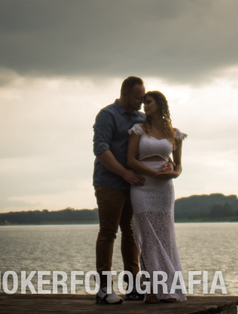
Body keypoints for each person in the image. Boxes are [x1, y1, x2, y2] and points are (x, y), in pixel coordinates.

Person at [126, 90, 186, 303]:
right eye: (144, 103)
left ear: (160, 104)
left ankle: (167, 290)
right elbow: (131, 160)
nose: (145, 106)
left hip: (164, 189)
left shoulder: (174, 133)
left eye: (149, 102)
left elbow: (178, 165)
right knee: (148, 237)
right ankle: (151, 290)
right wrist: (152, 173)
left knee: (165, 236)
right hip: (142, 186)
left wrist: (173, 174)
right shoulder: (138, 130)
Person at [92, 76, 148, 304]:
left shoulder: (142, 118)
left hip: (133, 185)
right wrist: (124, 173)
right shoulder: (107, 115)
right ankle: (104, 289)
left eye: (143, 98)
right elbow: (100, 150)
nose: (141, 102)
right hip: (109, 183)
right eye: (137, 97)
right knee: (108, 232)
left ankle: (133, 285)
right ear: (125, 94)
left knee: (131, 233)